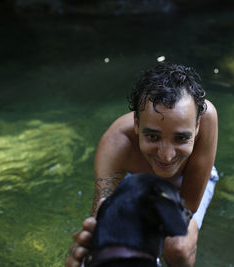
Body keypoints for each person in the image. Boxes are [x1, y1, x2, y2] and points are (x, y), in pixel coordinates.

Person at [65, 63, 218, 267]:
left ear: (197, 126)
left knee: (178, 247)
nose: (166, 155)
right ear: (137, 123)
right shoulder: (116, 143)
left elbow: (188, 206)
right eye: (153, 136)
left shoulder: (206, 116)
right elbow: (102, 219)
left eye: (181, 138)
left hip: (187, 178)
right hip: (138, 183)